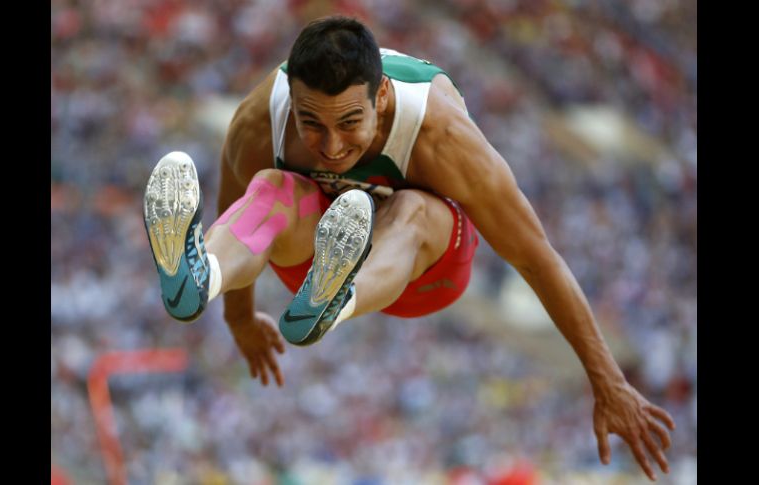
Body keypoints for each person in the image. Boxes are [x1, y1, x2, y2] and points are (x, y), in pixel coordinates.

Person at [143, 16, 675, 481]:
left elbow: (536, 257)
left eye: (350, 123)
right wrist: (236, 313)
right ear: (294, 103)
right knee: (273, 187)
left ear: (382, 98)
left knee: (416, 210)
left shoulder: (441, 135)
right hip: (310, 260)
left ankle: (339, 296)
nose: (331, 146)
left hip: (425, 272)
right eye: (313, 125)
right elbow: (234, 202)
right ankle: (201, 278)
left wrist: (608, 382)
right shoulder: (264, 117)